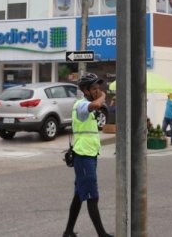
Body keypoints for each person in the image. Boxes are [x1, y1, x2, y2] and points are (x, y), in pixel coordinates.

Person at [64, 73, 112, 237]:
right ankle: (102, 234)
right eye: (94, 88)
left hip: (89, 155)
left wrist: (100, 97)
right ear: (85, 90)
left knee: (79, 196)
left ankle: (68, 232)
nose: (97, 90)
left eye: (98, 87)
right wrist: (103, 96)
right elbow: (95, 105)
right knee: (92, 196)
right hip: (83, 156)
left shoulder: (88, 103)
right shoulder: (81, 105)